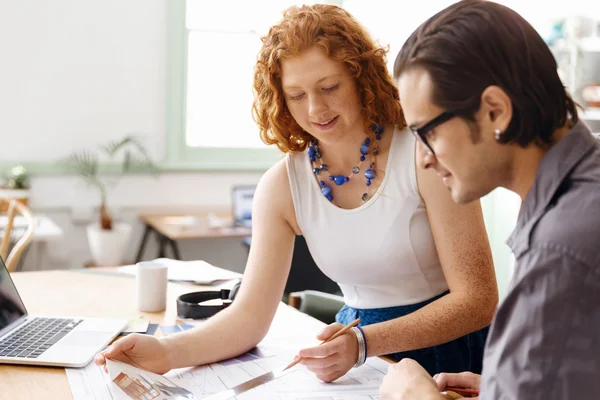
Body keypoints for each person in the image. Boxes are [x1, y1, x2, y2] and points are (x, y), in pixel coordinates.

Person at [95, 4, 498, 382]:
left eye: (329, 86)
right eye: (297, 95)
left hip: (446, 353)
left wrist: (365, 343)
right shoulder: (282, 186)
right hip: (355, 354)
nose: (316, 110)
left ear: (362, 78)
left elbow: (479, 300)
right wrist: (165, 354)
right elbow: (249, 316)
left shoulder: (424, 156)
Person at [382, 0, 600, 398]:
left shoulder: (561, 248)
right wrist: (506, 384)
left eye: (426, 132)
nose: (424, 159)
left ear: (496, 111)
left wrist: (415, 394)